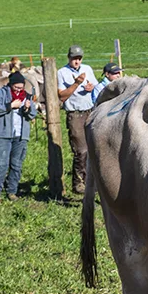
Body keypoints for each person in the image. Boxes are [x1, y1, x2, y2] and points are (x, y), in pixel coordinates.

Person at [0, 72, 37, 205]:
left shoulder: (26, 96)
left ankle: (12, 191)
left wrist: (27, 108)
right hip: (3, 134)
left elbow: (32, 114)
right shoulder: (0, 94)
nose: (19, 90)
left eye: (21, 88)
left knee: (16, 165)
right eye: (16, 88)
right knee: (1, 164)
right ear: (11, 84)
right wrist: (10, 106)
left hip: (21, 135)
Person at [56, 45, 98, 194]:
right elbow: (62, 96)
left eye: (79, 58)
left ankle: (91, 182)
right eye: (74, 58)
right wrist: (77, 83)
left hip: (90, 111)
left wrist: (90, 87)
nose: (77, 61)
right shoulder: (62, 73)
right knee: (81, 149)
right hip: (75, 114)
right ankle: (78, 182)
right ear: (69, 58)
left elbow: (94, 85)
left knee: (93, 148)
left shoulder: (87, 69)